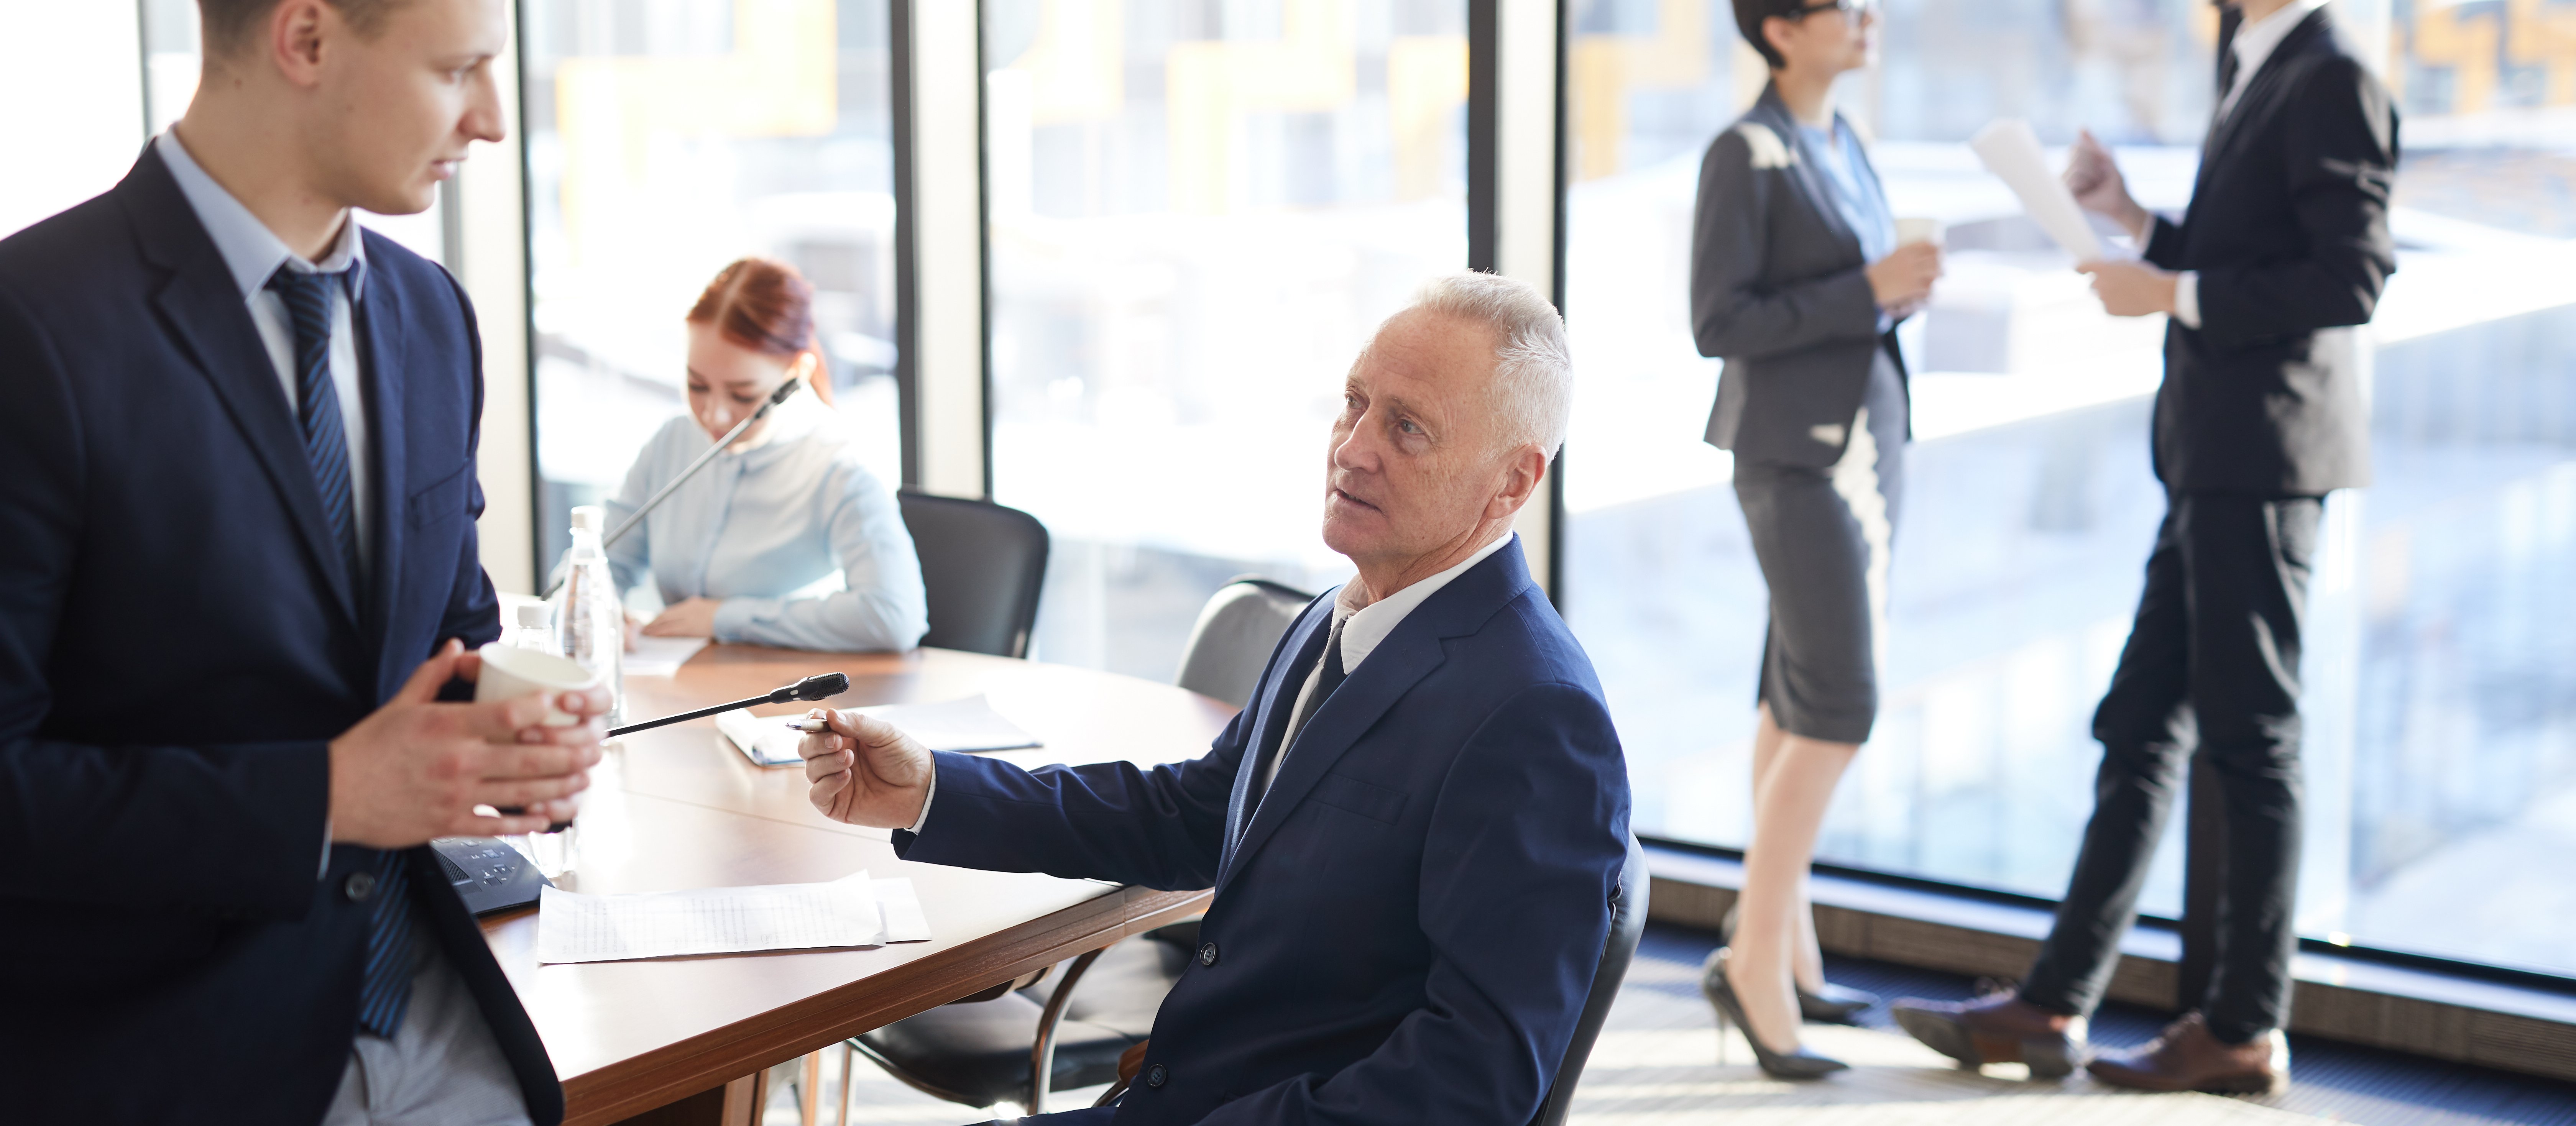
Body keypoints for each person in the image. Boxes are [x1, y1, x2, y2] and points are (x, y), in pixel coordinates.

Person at [795, 272, 1630, 1124]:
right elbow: (1195, 813)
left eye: (1408, 427)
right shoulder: (1337, 613)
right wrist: (932, 787)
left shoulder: (1535, 715)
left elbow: (1473, 1084)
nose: (1353, 447)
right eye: (1355, 401)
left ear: (1513, 483)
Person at [0, 1, 610, 1123]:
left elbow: (447, 628)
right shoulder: (29, 328)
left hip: (447, 1016)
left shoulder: (433, 316)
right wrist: (324, 796)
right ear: (308, 39)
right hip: (158, 1052)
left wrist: (510, 723)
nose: (489, 119)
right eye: (458, 69)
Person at [1891, 0, 2394, 1095]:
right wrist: (2136, 224)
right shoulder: (2260, 59)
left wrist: (2171, 290)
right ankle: (2053, 1002)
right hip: (2214, 459)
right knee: (2139, 725)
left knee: (2252, 740)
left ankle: (2247, 1025)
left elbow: (2350, 276)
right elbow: (2255, 251)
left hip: (2263, 461)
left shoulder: (2331, 70)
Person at [1686, 0, 1941, 1080]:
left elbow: (1847, 302)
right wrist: (1866, 291)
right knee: (1839, 706)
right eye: (1846, 3)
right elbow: (1719, 321)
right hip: (1799, 460)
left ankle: (1786, 949)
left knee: (1791, 700)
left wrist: (1894, 298)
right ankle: (1750, 963)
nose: (1871, 16)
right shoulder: (1745, 152)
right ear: (1782, 28)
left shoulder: (1841, 139)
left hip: (1865, 446)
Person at [593, 256, 927, 653]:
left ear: (796, 374)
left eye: (743, 395)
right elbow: (598, 563)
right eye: (697, 385)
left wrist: (727, 617)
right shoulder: (674, 440)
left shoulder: (840, 467)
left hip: (784, 701)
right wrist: (599, 605)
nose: (713, 415)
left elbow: (894, 617)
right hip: (679, 689)